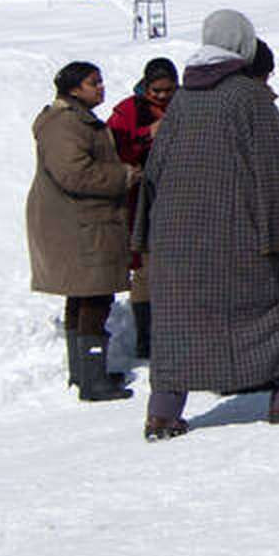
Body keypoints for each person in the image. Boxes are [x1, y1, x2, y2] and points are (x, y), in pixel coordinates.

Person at [136, 10, 279, 438]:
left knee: (178, 320)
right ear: (244, 46)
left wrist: (146, 234)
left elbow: (154, 169)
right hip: (238, 232)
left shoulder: (182, 101)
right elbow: (274, 170)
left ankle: (163, 412)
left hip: (175, 238)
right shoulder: (250, 97)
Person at [26, 60, 138, 402]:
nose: (101, 88)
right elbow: (75, 174)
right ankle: (93, 380)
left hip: (81, 221)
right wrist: (124, 176)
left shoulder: (75, 121)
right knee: (94, 296)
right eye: (94, 83)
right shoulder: (66, 125)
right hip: (80, 223)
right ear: (74, 89)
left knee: (82, 295)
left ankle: (85, 373)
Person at [106, 56, 177, 368]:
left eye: (167, 90)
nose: (162, 96)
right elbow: (114, 149)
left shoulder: (186, 104)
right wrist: (149, 134)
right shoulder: (127, 112)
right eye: (156, 91)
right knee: (145, 266)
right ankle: (147, 337)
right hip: (140, 198)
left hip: (177, 194)